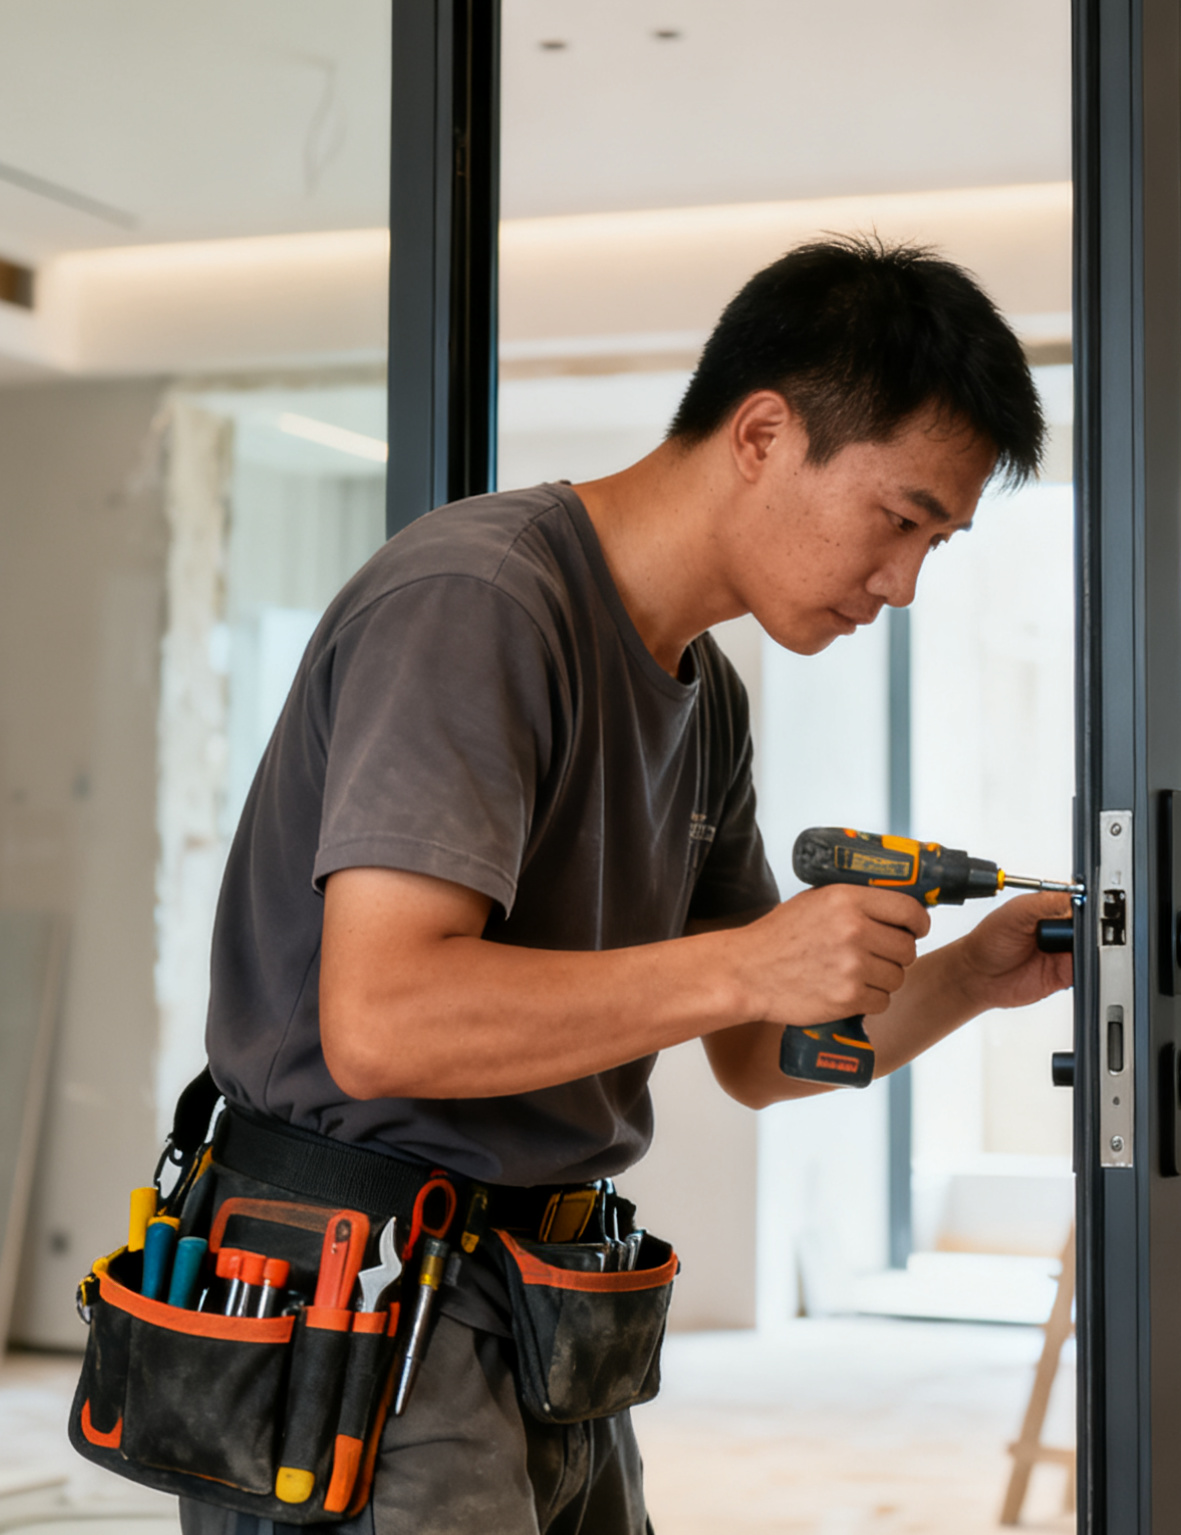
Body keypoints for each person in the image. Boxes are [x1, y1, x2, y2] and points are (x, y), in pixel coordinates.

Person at [179, 235, 1069, 1534]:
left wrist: (970, 977)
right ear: (762, 434)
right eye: (900, 519)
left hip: (548, 1304)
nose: (905, 584)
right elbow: (381, 1022)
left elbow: (759, 1053)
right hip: (363, 1298)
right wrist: (746, 962)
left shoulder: (705, 698)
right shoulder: (478, 602)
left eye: (938, 542)